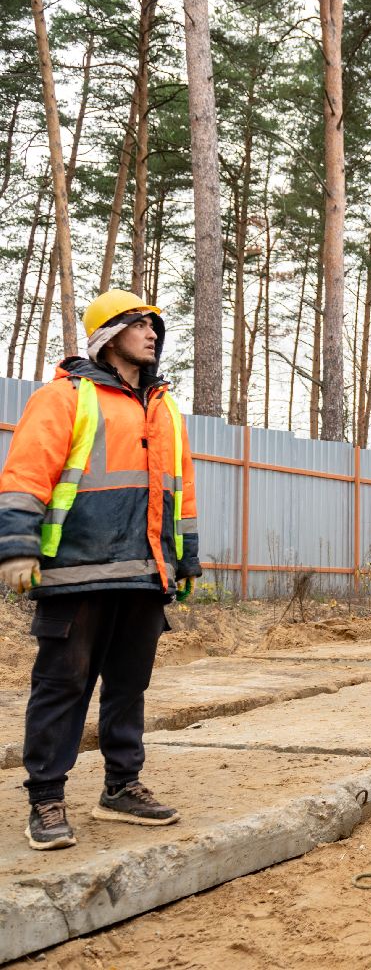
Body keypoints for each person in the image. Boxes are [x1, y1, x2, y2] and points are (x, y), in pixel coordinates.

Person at [0, 289, 201, 851]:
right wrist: (17, 547)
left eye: (154, 325)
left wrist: (185, 560)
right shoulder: (65, 397)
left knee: (129, 686)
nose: (151, 333)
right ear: (107, 336)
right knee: (62, 686)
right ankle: (46, 796)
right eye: (138, 324)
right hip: (76, 572)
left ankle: (121, 786)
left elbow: (179, 492)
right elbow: (25, 474)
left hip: (144, 575)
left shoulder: (163, 408)